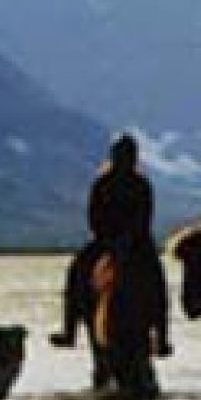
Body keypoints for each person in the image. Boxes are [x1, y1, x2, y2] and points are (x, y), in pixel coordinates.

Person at [49, 134, 172, 357]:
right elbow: (94, 215)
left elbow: (145, 217)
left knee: (156, 280)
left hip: (137, 242)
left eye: (128, 156)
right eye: (122, 155)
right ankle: (69, 330)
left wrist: (131, 237)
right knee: (78, 269)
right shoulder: (102, 184)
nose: (125, 160)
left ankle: (162, 337)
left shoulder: (141, 185)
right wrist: (108, 237)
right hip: (106, 241)